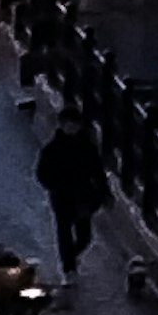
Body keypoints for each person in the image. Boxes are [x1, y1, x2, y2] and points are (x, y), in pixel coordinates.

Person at [35, 106, 105, 274]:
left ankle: (70, 259)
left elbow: (98, 170)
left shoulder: (87, 147)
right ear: (61, 125)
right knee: (64, 232)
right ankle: (68, 268)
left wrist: (104, 191)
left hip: (83, 195)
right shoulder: (52, 149)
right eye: (68, 125)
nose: (71, 128)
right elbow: (42, 172)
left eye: (74, 125)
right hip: (62, 196)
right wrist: (54, 186)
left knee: (84, 236)